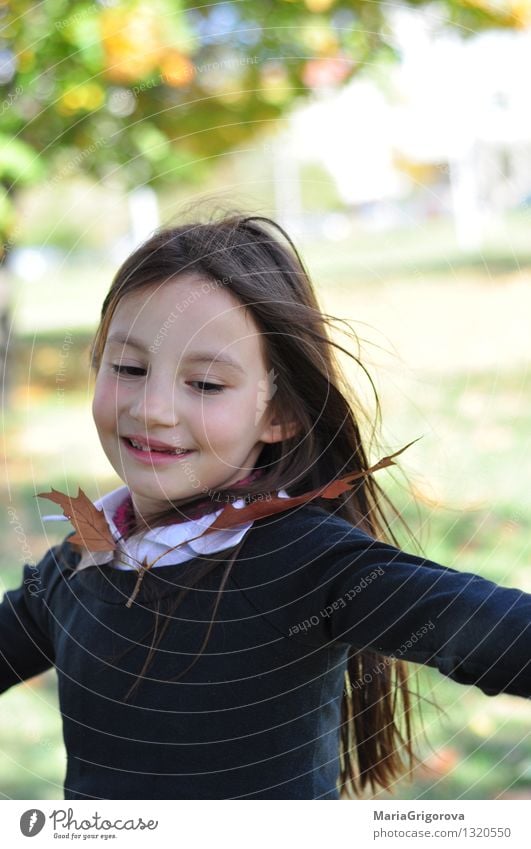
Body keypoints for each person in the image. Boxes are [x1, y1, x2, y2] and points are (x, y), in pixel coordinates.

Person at [1, 212, 530, 801]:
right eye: (128, 368)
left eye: (205, 384)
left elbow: (494, 632)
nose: (153, 408)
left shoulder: (310, 562)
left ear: (278, 414)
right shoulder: (79, 567)